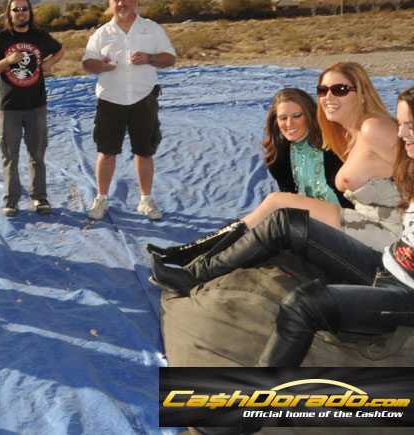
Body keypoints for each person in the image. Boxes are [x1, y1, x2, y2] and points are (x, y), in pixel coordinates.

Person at [151, 87, 414, 374]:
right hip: (385, 264)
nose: (401, 133)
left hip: (406, 295)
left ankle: (258, 405)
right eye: (401, 124)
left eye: (409, 126)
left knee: (304, 304)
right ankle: (192, 276)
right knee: (285, 222)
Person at [151, 62, 401, 268]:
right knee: (262, 217)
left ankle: (197, 263)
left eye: (340, 89)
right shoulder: (293, 153)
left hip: (374, 228)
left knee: (274, 205)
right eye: (323, 90)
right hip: (342, 220)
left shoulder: (349, 138)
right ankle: (193, 255)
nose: (329, 96)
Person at [148, 87, 350, 266]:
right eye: (283, 118)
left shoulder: (332, 146)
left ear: (310, 115)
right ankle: (192, 253)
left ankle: (192, 255)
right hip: (310, 221)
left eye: (297, 115)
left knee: (271, 209)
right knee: (257, 224)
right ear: (275, 120)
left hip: (346, 224)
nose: (289, 124)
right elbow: (291, 198)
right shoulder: (280, 156)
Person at [81, 0, 176, 220]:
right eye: (116, 0)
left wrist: (150, 58)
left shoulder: (151, 29)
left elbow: (170, 58)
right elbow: (86, 62)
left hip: (143, 98)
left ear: (134, 2)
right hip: (110, 100)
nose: (121, 3)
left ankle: (146, 200)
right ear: (110, 6)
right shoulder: (101, 33)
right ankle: (101, 199)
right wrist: (100, 65)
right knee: (107, 151)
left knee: (144, 152)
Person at [0, 0, 64, 217]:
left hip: (36, 105)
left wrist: (49, 63)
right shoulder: (0, 39)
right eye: (15, 9)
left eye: (24, 9)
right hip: (9, 107)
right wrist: (7, 61)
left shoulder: (40, 36)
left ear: (30, 12)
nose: (20, 12)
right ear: (9, 13)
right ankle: (11, 200)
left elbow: (60, 50)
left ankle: (39, 197)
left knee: (37, 154)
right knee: (10, 156)